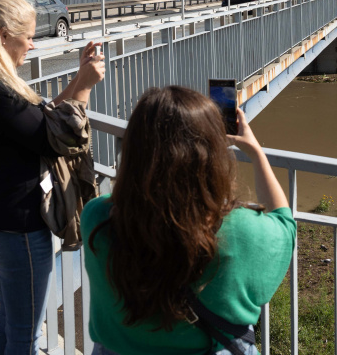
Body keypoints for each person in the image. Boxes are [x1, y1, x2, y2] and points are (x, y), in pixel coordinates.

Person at [0, 0, 105, 355]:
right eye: (29, 38)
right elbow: (57, 139)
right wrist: (84, 86)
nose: (32, 46)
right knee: (26, 335)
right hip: (16, 227)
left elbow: (39, 122)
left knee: (12, 319)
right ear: (4, 37)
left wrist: (78, 80)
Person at [82, 86, 295, 355]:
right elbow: (285, 224)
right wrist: (256, 153)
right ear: (212, 156)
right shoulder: (242, 231)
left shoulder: (98, 219)